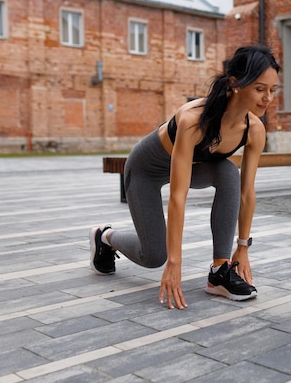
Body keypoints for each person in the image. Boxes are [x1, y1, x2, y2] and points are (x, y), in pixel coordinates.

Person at [89, 44, 281, 310]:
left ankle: (219, 271)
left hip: (193, 165)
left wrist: (243, 248)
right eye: (260, 89)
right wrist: (174, 263)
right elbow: (178, 197)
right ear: (236, 83)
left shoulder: (254, 129)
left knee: (227, 171)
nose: (268, 98)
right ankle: (105, 237)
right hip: (146, 169)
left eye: (273, 90)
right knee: (155, 255)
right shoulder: (194, 119)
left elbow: (247, 193)